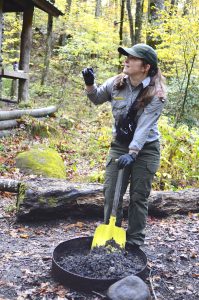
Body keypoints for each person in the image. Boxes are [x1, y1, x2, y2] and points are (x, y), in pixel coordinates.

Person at [82, 43, 167, 248]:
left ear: (145, 66)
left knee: (138, 196)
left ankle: (135, 241)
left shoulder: (157, 93)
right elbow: (95, 98)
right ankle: (111, 236)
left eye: (131, 58)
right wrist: (90, 84)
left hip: (146, 149)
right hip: (119, 145)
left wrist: (134, 152)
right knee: (111, 193)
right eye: (126, 56)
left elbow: (144, 127)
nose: (126, 60)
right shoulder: (116, 82)